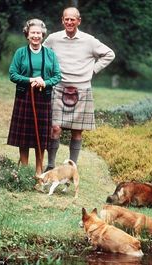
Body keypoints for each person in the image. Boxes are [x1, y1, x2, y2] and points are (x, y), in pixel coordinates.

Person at [43, 7, 115, 170]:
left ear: (79, 21)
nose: (69, 22)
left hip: (82, 90)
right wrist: (48, 72)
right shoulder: (53, 39)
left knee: (77, 131)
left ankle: (71, 167)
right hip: (58, 87)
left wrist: (93, 70)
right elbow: (43, 55)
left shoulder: (89, 40)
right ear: (62, 20)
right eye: (66, 19)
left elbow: (109, 54)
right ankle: (50, 165)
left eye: (72, 19)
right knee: (55, 128)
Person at [7, 18, 61, 176]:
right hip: (24, 98)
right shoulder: (20, 53)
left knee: (41, 137)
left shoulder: (50, 55)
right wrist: (30, 80)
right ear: (27, 34)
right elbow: (12, 74)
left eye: (39, 33)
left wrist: (45, 82)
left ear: (43, 34)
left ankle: (38, 171)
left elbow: (57, 76)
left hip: (43, 99)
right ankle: (24, 170)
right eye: (33, 33)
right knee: (24, 137)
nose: (36, 36)